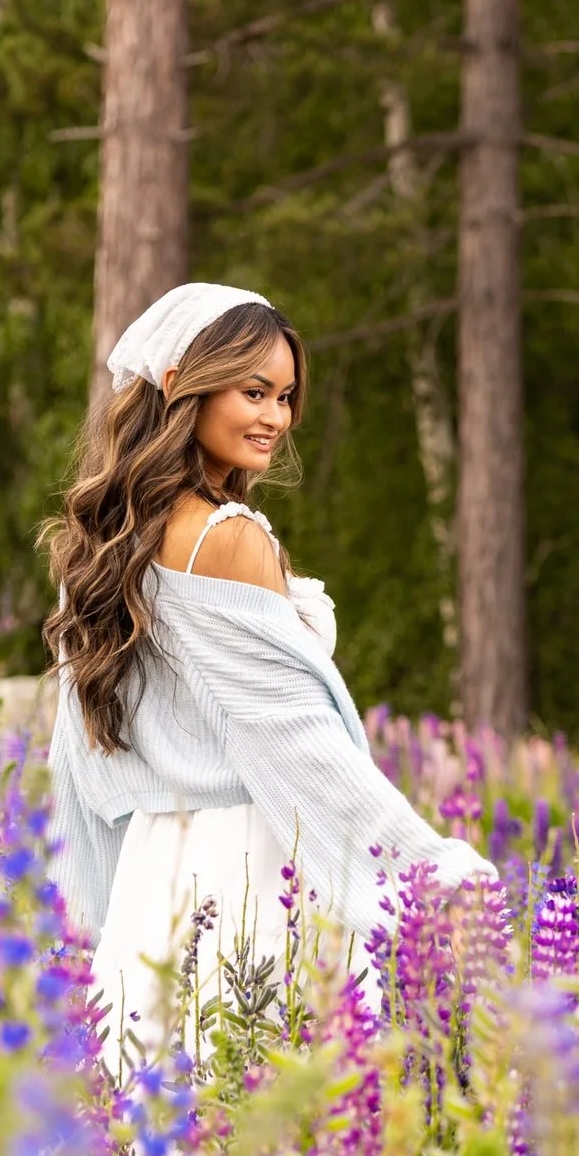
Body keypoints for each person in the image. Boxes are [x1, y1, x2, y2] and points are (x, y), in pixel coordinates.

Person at [42, 283, 493, 1064]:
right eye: (253, 392)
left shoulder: (109, 541)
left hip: (156, 872)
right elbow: (299, 745)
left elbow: (77, 754)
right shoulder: (229, 537)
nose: (275, 418)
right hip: (250, 870)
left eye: (284, 397)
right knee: (262, 1131)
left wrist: (88, 900)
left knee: (158, 1141)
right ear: (184, 381)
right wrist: (430, 872)